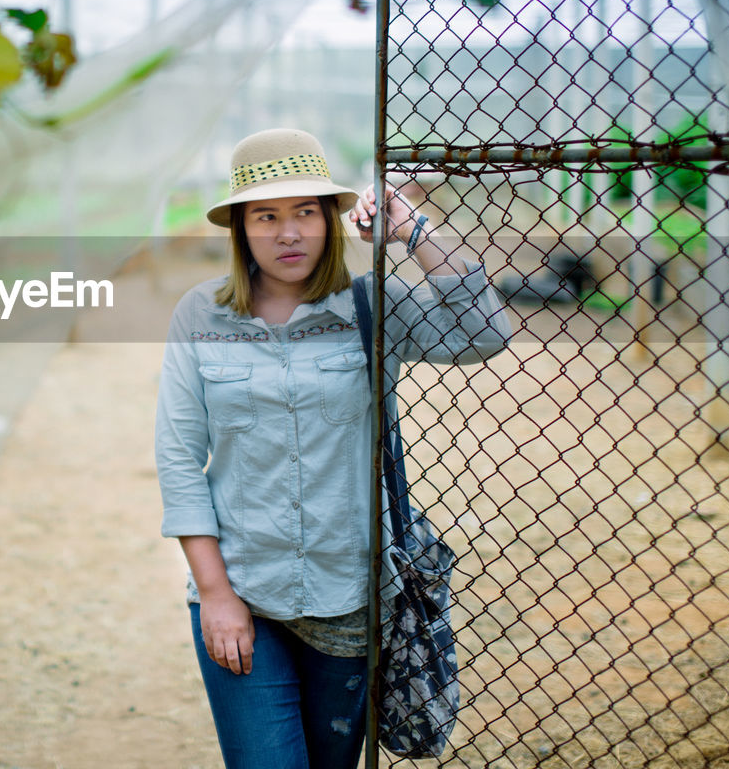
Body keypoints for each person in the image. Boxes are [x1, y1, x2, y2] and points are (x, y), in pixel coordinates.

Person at [154, 127, 511, 769]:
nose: (287, 234)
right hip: (243, 590)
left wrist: (412, 229)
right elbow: (179, 459)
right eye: (266, 216)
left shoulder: (372, 307)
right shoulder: (199, 315)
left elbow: (481, 333)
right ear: (240, 227)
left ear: (330, 220)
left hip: (348, 598)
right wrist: (215, 594)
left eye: (305, 213)